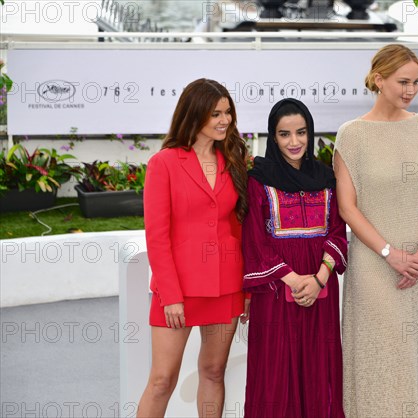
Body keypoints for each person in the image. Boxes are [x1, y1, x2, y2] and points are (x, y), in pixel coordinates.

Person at [334, 44, 418, 417]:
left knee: (412, 362)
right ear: (379, 79)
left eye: (416, 82)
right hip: (373, 268)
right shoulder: (352, 135)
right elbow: (348, 207)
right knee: (377, 360)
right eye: (403, 81)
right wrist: (390, 253)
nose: (411, 90)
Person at [137, 78, 250, 417]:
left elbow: (240, 228)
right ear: (194, 114)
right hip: (179, 290)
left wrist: (247, 290)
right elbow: (157, 236)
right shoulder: (165, 163)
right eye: (216, 113)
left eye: (228, 112)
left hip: (226, 285)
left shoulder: (234, 161)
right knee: (162, 380)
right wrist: (170, 295)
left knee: (214, 371)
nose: (224, 120)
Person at [242, 98, 348, 418]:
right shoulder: (258, 180)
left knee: (320, 367)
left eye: (301, 133)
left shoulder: (326, 178)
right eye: (284, 134)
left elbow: (337, 232)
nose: (294, 142)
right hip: (276, 291)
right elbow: (255, 239)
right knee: (275, 370)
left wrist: (318, 279)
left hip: (321, 291)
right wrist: (292, 279)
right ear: (273, 137)